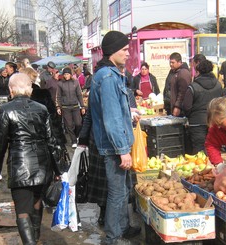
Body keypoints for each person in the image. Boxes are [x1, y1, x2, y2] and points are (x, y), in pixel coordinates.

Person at [0, 73, 61, 244]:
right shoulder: (42, 109)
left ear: (11, 89)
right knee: (37, 202)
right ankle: (35, 238)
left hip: (20, 165)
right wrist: (57, 169)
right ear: (30, 89)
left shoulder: (5, 110)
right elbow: (51, 141)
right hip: (42, 164)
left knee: (23, 210)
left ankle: (30, 242)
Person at [88, 30, 140, 244]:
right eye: (125, 50)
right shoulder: (108, 76)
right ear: (112, 52)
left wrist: (130, 115)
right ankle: (113, 237)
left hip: (115, 145)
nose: (128, 54)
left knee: (123, 190)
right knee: (117, 194)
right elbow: (111, 118)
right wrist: (122, 150)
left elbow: (117, 112)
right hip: (113, 148)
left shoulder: (110, 73)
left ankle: (122, 227)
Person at [182, 59, 222, 154]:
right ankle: (215, 167)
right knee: (213, 147)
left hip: (197, 122)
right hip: (214, 121)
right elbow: (221, 102)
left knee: (199, 150)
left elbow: (186, 107)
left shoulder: (193, 87)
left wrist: (189, 116)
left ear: (198, 71)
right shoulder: (218, 85)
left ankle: (202, 168)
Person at [56, 67, 86, 148]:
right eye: (65, 74)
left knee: (78, 123)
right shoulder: (60, 84)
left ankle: (76, 136)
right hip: (65, 107)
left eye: (67, 74)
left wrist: (82, 106)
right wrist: (58, 107)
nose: (66, 76)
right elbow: (58, 96)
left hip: (75, 106)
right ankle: (73, 140)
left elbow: (79, 94)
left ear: (70, 74)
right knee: (69, 125)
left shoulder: (75, 82)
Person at [163, 52, 191, 116]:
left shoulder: (183, 73)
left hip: (178, 109)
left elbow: (183, 92)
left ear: (179, 62)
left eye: (173, 62)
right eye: (170, 62)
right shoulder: (173, 71)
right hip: (170, 106)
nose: (171, 64)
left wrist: (177, 106)